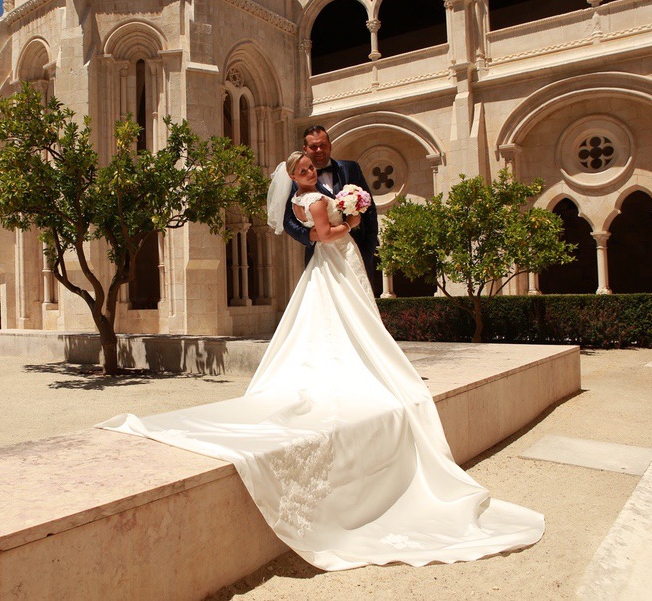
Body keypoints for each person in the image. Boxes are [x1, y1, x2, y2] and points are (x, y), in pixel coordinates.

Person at [101, 152, 544, 570]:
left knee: (338, 314)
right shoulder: (312, 200)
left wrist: (345, 212)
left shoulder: (308, 197)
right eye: (304, 169)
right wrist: (351, 219)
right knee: (347, 314)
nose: (310, 171)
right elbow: (325, 235)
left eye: (311, 167)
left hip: (333, 262)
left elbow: (317, 233)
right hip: (336, 257)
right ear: (294, 176)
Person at [282, 125, 378, 286]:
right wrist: (308, 235)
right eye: (313, 147)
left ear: (330, 145)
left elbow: (369, 209)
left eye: (323, 145)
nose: (319, 150)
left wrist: (368, 249)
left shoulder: (351, 169)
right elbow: (287, 221)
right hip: (321, 256)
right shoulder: (295, 184)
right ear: (305, 149)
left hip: (356, 252)